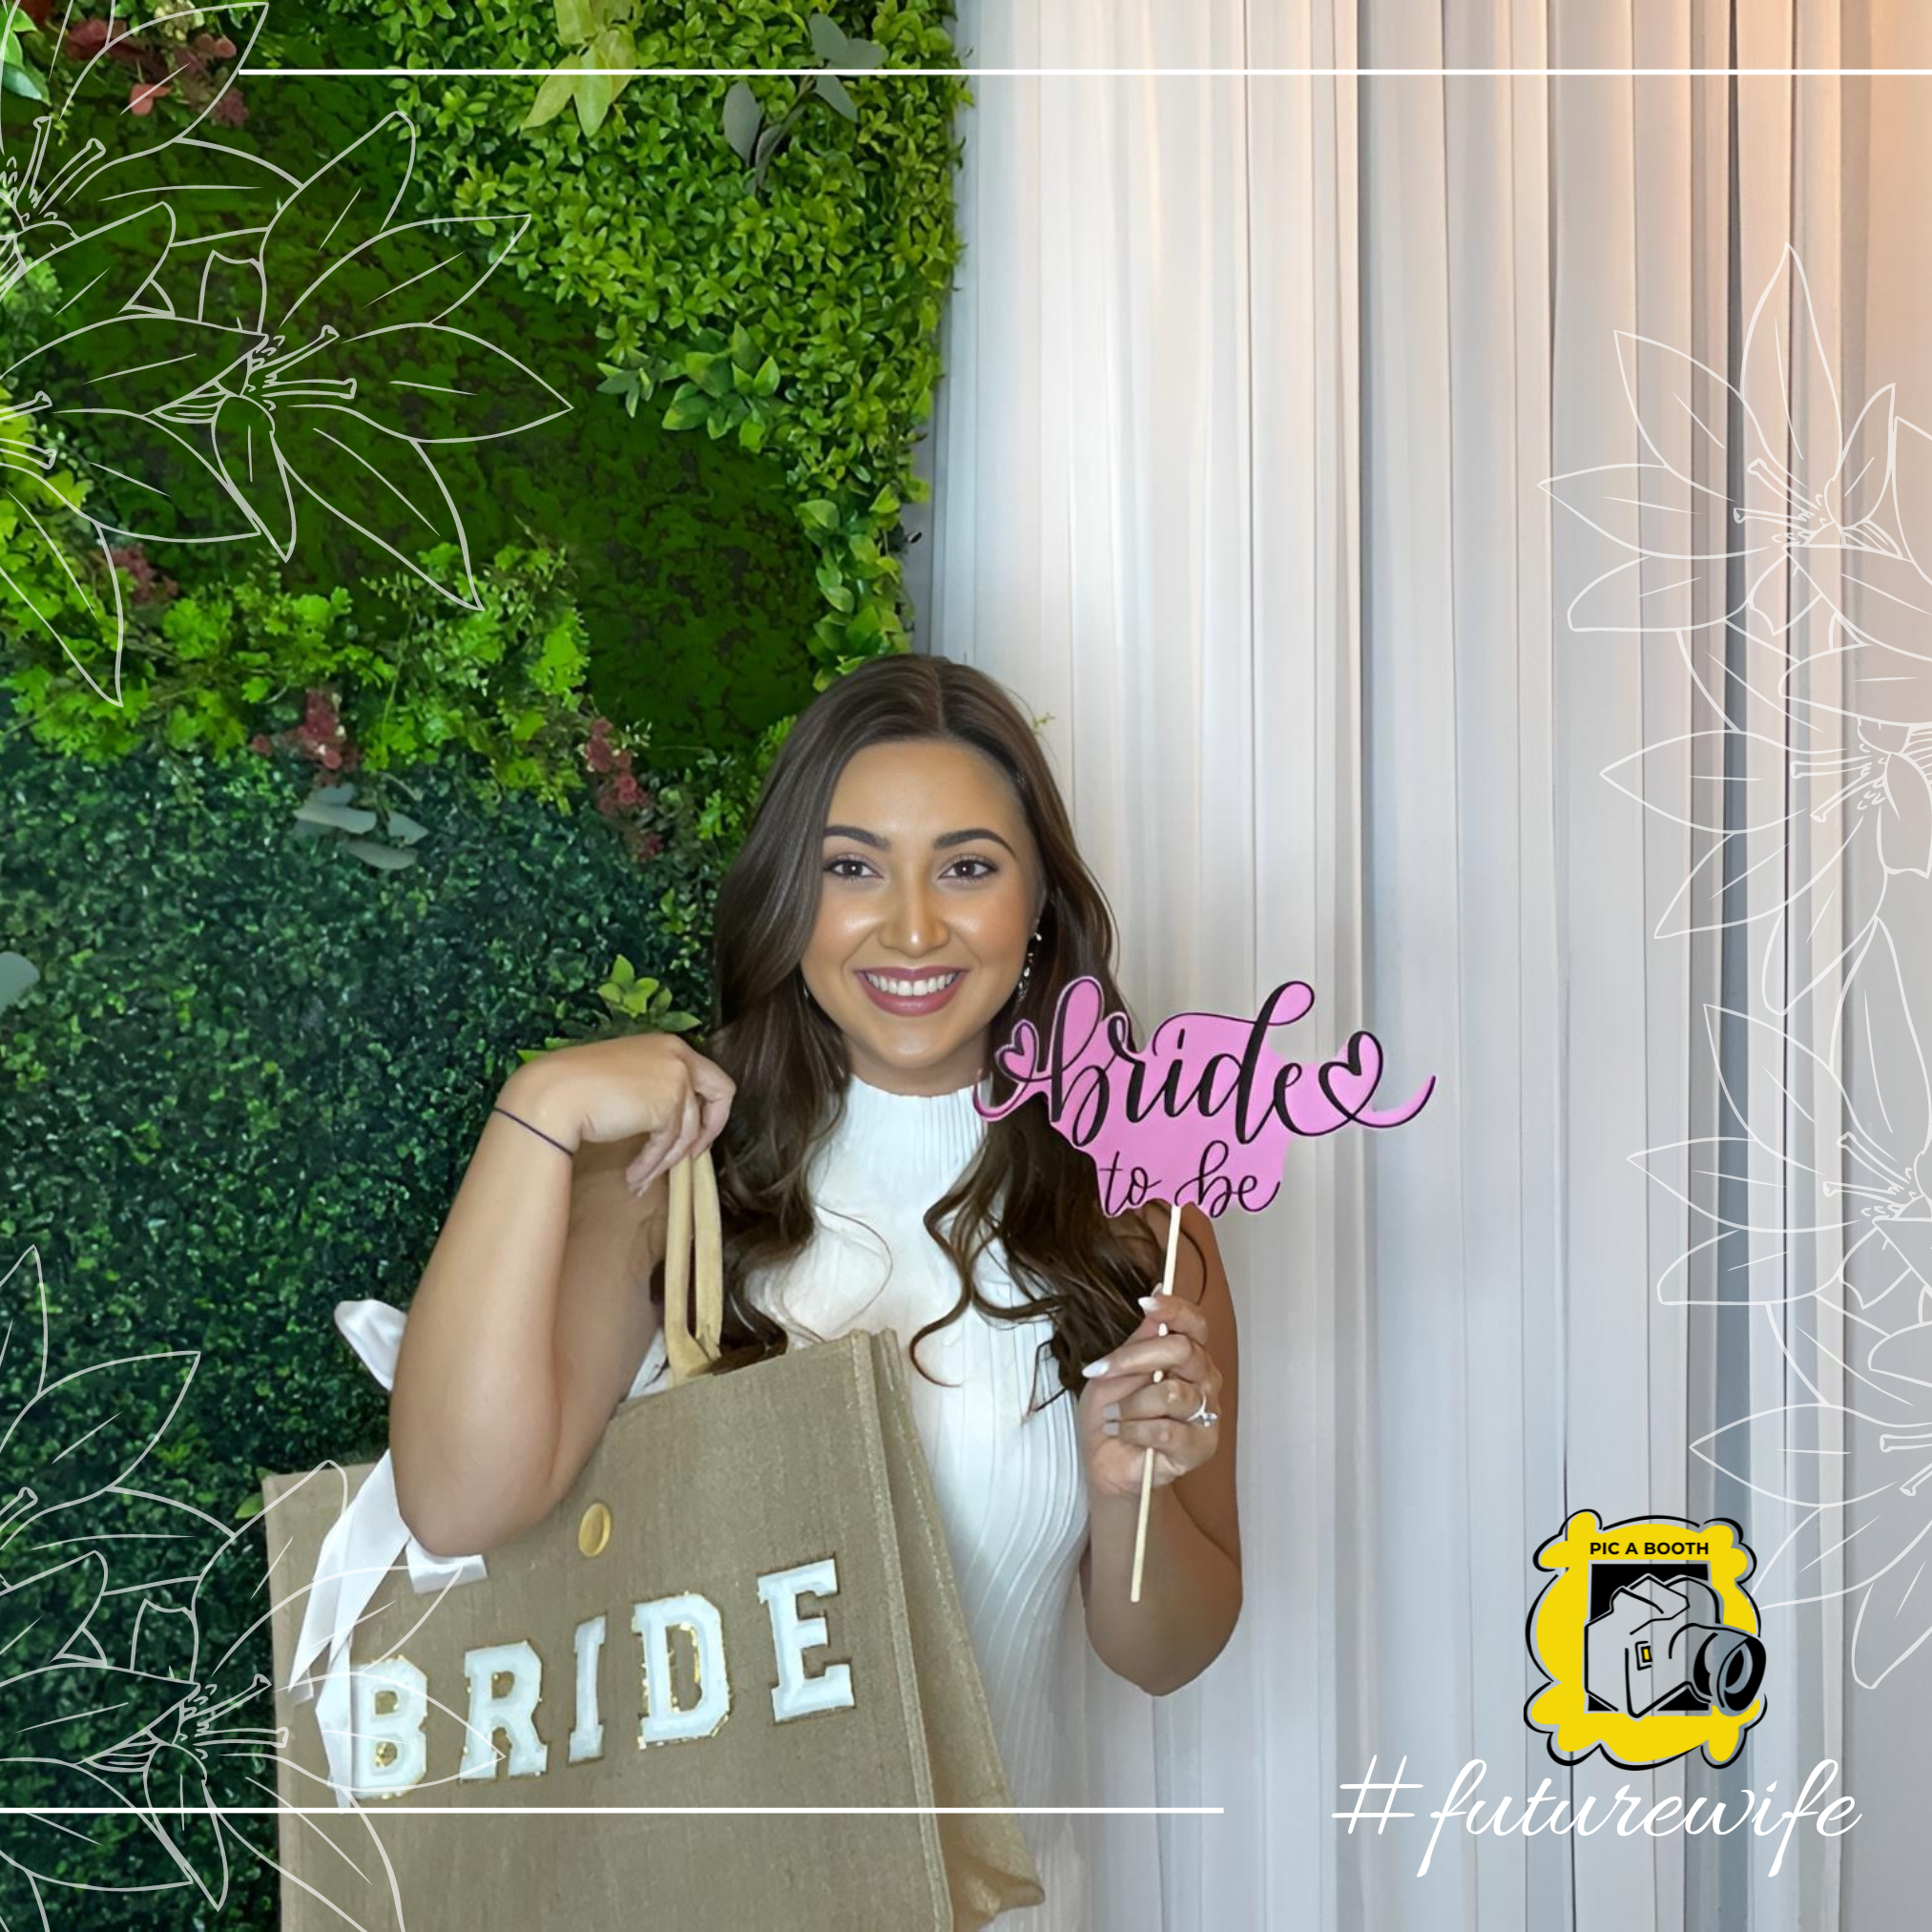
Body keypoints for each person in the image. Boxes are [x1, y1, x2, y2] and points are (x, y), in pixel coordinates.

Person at [389, 653, 1244, 1928]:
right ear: (793, 900)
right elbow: (455, 1504)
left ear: (1040, 912)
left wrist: (1133, 1493)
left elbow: (1167, 1654)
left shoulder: (1136, 1214)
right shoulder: (682, 1181)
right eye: (853, 868)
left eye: (967, 866)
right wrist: (541, 1109)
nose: (911, 926)